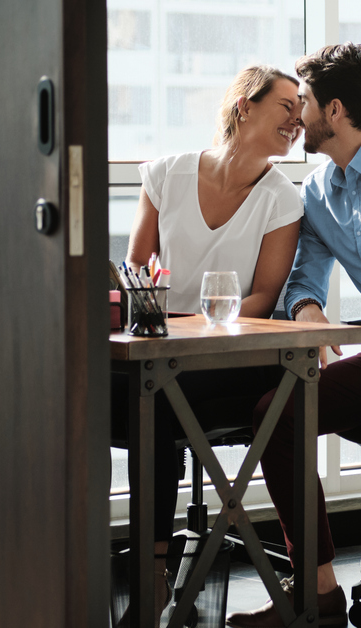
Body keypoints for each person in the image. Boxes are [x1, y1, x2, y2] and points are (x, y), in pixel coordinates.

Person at [111, 64, 306, 624]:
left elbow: (264, 299)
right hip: (159, 348)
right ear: (245, 104)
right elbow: (137, 273)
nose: (298, 120)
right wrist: (161, 320)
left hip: (235, 358)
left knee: (155, 395)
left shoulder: (281, 200)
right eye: (286, 107)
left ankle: (152, 566)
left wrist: (187, 325)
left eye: (302, 110)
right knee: (99, 388)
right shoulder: (167, 174)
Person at [227, 43, 361, 628]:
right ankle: (317, 593)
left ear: (333, 110)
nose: (293, 116)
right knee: (277, 412)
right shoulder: (318, 193)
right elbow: (306, 274)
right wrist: (306, 305)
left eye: (300, 101)